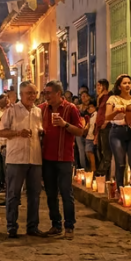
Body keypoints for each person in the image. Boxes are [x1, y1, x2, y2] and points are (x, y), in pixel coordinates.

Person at [40, 80, 84, 240]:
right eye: (45, 93)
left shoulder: (70, 109)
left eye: (49, 93)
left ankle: (69, 226)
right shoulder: (42, 109)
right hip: (47, 158)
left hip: (64, 158)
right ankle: (55, 224)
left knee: (66, 193)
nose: (46, 96)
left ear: (58, 94)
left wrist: (65, 124)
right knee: (51, 194)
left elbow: (80, 131)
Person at [0, 81, 44, 237]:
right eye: (29, 93)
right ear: (21, 94)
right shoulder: (11, 111)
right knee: (13, 194)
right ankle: (12, 226)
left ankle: (32, 226)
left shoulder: (39, 112)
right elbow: (2, 132)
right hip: (16, 158)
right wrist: (18, 133)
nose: (32, 96)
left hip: (35, 158)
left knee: (34, 194)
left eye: (34, 93)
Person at [93, 79, 111, 178]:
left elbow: (105, 114)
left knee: (106, 153)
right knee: (100, 152)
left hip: (106, 127)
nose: (97, 88)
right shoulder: (100, 99)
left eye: (98, 86)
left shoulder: (107, 98)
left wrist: (105, 122)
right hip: (100, 128)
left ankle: (101, 174)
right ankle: (103, 175)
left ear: (103, 86)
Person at [74, 91, 92, 171]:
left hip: (89, 130)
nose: (83, 98)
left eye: (85, 96)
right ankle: (83, 168)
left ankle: (89, 167)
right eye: (82, 96)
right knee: (81, 149)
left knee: (88, 150)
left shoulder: (91, 107)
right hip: (80, 129)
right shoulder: (78, 107)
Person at [83, 102, 98, 176]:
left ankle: (93, 171)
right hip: (89, 136)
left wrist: (96, 136)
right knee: (88, 153)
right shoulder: (91, 116)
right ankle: (92, 170)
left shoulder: (96, 115)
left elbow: (96, 126)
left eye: (90, 107)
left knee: (90, 153)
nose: (89, 109)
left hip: (92, 137)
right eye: (88, 108)